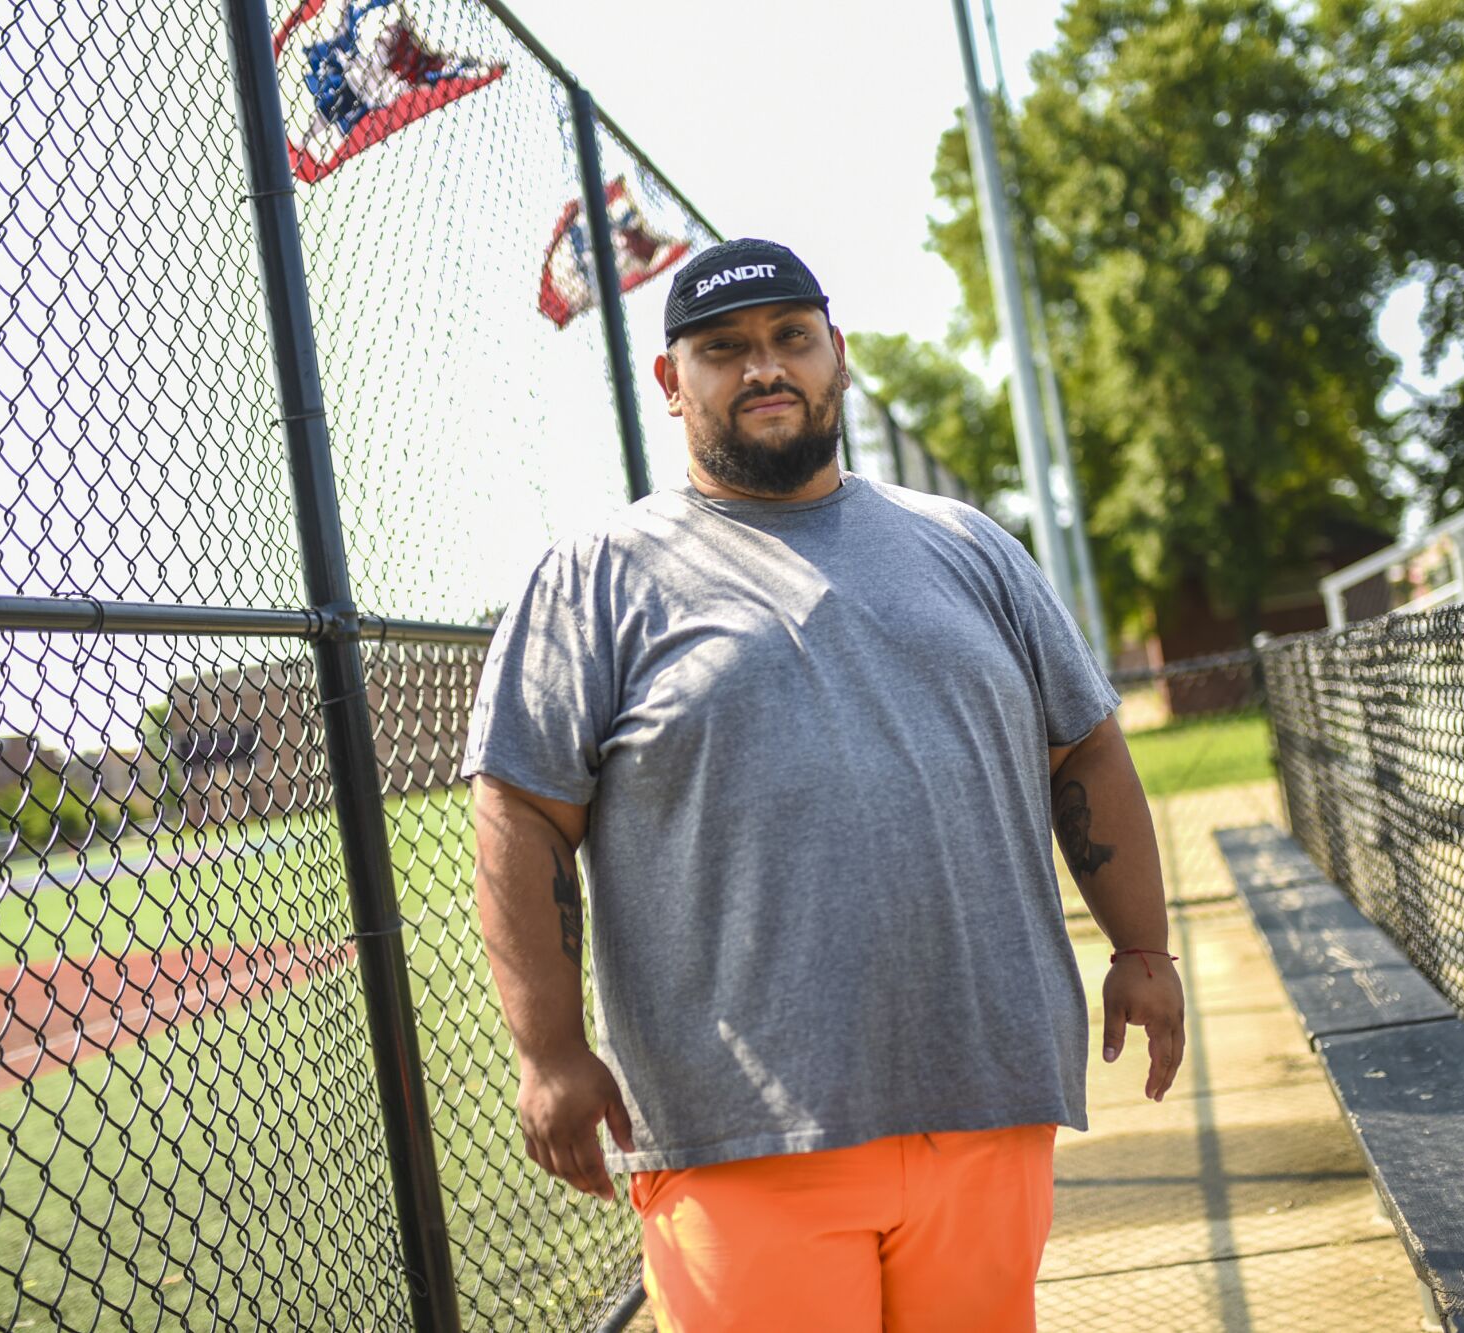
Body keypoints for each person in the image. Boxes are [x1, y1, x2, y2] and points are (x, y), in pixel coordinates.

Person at [463, 237, 1184, 1332]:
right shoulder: (597, 576)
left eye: (789, 339)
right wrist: (550, 1051)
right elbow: (520, 808)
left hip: (984, 1095)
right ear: (671, 382)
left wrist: (1141, 948)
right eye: (723, 350)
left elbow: (1080, 747)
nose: (764, 368)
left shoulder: (968, 546)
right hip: (740, 1130)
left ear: (834, 356)